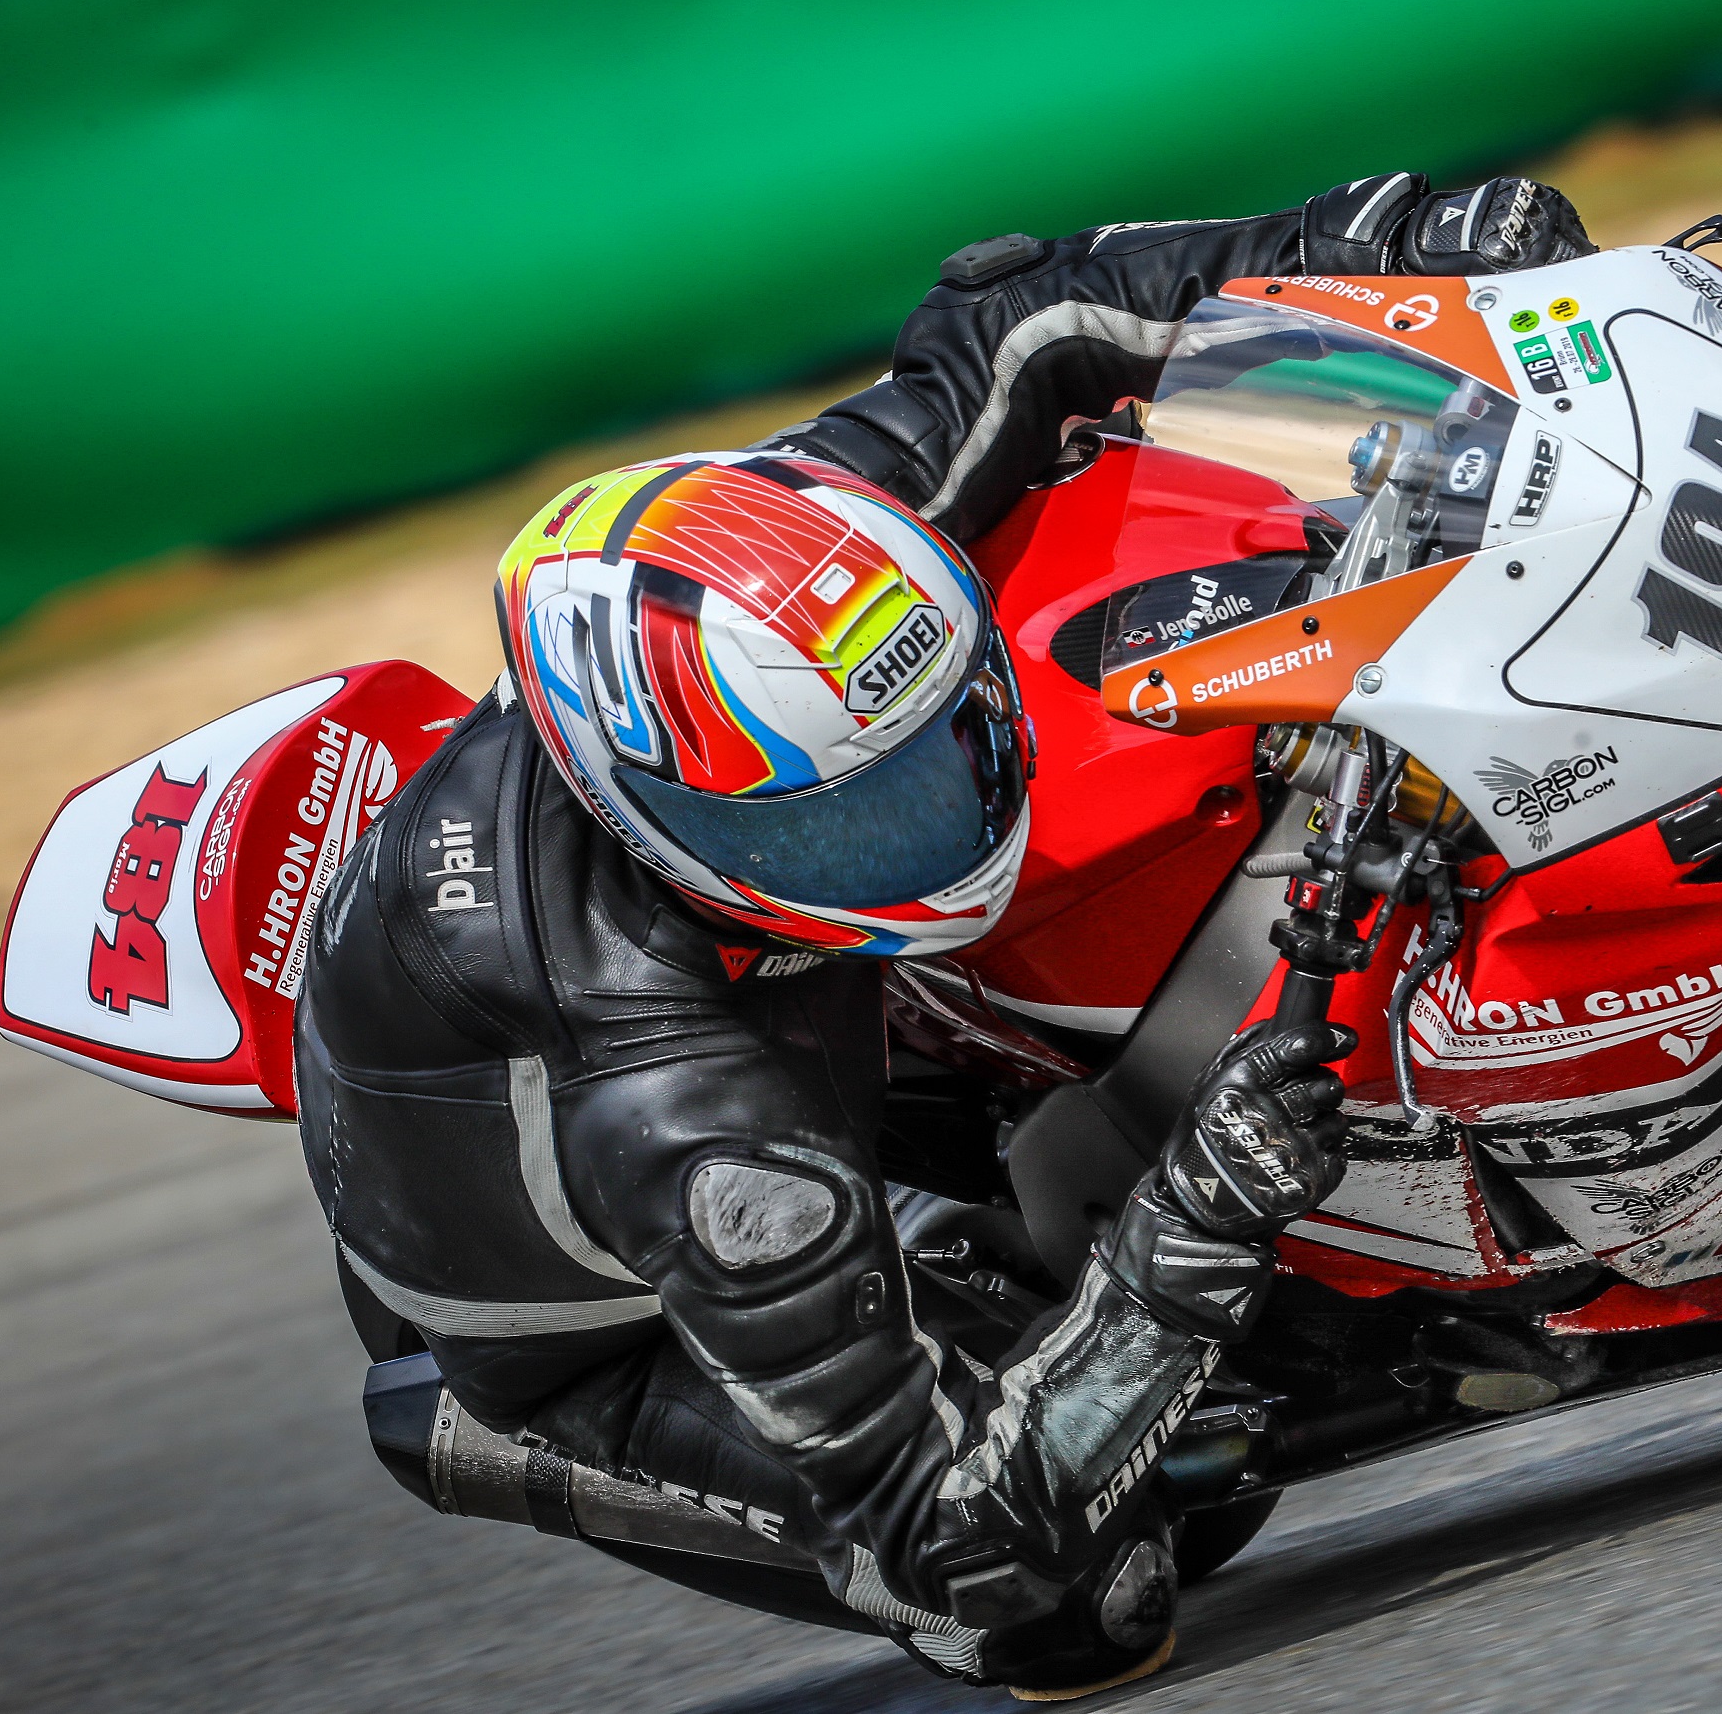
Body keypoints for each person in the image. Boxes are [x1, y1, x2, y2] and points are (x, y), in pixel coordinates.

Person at [294, 172, 1595, 1695]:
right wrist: (1197, 1226)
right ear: (666, 821)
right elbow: (958, 1533)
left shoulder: (797, 571)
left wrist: (1382, 243)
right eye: (857, 818)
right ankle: (543, 1428)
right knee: (1069, 1606)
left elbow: (1016, 319)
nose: (937, 821)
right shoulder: (680, 1114)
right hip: (621, 1332)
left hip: (770, 1005)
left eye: (938, 745)